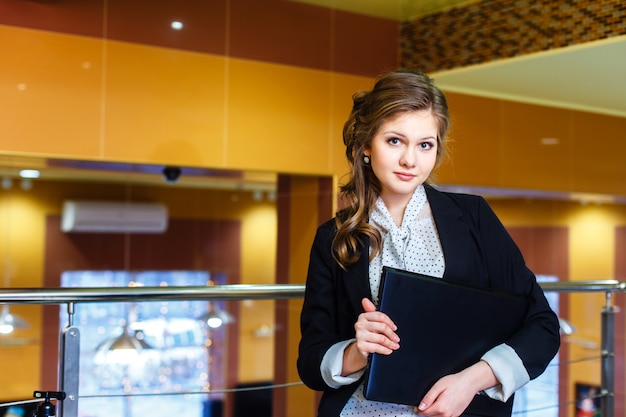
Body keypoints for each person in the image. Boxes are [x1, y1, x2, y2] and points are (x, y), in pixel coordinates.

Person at [297, 69, 561, 417]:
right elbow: (311, 360)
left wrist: (470, 381)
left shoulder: (474, 217)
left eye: (425, 144)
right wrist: (356, 351)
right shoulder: (333, 237)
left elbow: (542, 325)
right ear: (365, 145)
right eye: (395, 141)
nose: (410, 160)